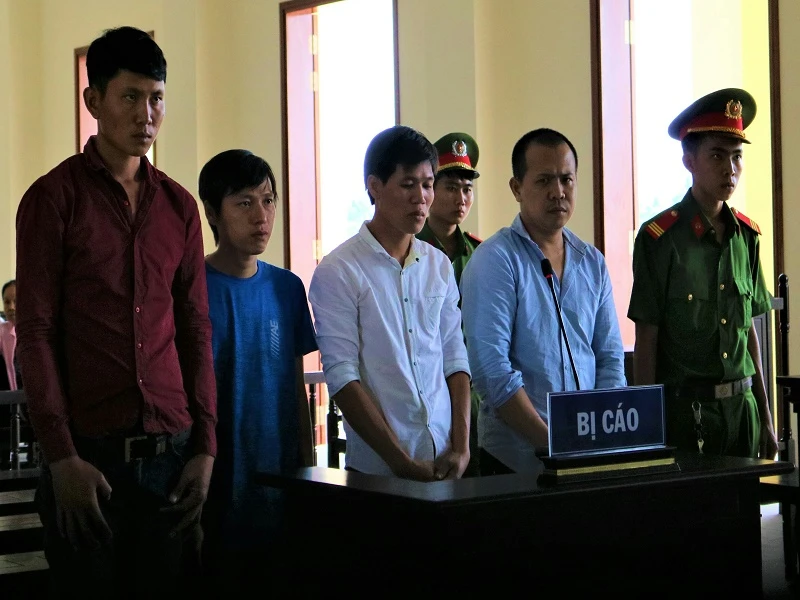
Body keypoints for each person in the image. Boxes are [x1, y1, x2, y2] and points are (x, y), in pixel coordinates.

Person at [15, 26, 217, 598]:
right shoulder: (53, 199)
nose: (146, 115)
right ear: (94, 100)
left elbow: (194, 329)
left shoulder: (178, 206)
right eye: (129, 96)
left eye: (156, 98)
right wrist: (61, 459)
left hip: (172, 454)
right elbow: (35, 332)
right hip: (88, 457)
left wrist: (205, 447)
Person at [309, 125, 471, 481]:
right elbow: (343, 376)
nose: (421, 198)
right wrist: (400, 461)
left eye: (428, 184)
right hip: (378, 472)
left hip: (446, 463)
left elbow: (455, 358)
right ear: (375, 186)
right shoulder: (339, 270)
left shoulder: (438, 265)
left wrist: (462, 447)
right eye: (408, 184)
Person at [460, 128, 626, 475]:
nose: (558, 192)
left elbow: (610, 359)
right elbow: (492, 371)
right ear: (516, 188)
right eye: (544, 180)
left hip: (587, 455)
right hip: (515, 462)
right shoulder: (495, 260)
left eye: (567, 179)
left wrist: (602, 436)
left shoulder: (592, 262)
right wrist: (552, 444)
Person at [628, 88, 778, 460]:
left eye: (737, 156)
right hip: (687, 416)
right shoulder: (659, 239)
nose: (730, 169)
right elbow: (647, 338)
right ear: (689, 161)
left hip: (742, 412)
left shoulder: (747, 237)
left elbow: (749, 334)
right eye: (717, 155)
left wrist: (766, 416)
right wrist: (647, 428)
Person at [198, 149, 317, 591]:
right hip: (214, 477)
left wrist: (307, 467)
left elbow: (296, 385)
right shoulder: (191, 287)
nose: (261, 216)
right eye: (244, 203)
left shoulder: (287, 287)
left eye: (268, 201)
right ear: (212, 212)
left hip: (279, 474)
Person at [416, 132, 482, 476]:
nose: (461, 198)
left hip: (479, 399)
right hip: (430, 395)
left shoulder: (481, 254)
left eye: (467, 189)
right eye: (451, 187)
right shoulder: (411, 251)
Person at [0, 280, 19, 390]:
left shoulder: (38, 330)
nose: (11, 307)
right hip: (13, 393)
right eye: (7, 302)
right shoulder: (3, 330)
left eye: (16, 301)